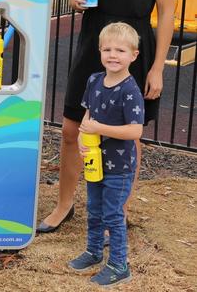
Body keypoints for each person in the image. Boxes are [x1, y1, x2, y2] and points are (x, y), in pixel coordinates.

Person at [37, 0, 174, 233]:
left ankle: (119, 210)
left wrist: (158, 67)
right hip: (93, 45)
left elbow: (166, 12)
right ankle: (64, 205)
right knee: (70, 130)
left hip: (133, 51)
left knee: (126, 136)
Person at [68, 22, 143, 287]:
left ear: (133, 55)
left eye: (120, 50)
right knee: (94, 209)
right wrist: (80, 137)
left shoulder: (130, 91)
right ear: (100, 51)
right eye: (107, 49)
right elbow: (88, 113)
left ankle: (119, 264)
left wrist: (99, 129)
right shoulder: (94, 80)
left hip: (120, 167)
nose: (113, 55)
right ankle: (93, 251)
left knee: (113, 214)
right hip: (94, 161)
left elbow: (135, 130)